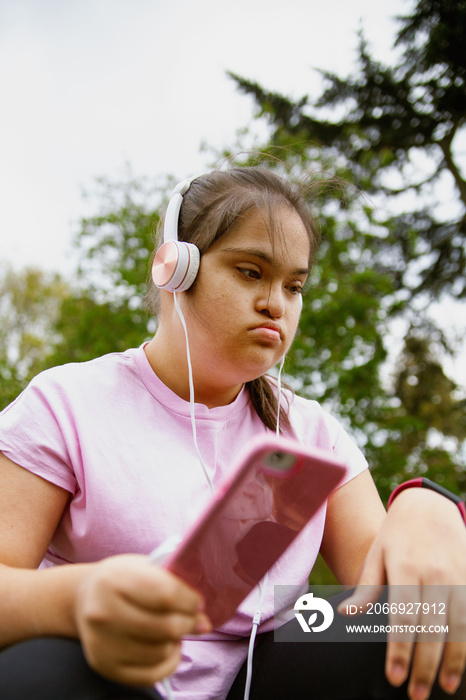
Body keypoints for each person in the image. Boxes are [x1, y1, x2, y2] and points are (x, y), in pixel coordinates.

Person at [0, 167, 465, 700]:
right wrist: (72, 601)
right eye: (250, 272)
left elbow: (382, 599)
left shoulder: (312, 433)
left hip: (266, 684)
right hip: (107, 677)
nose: (276, 304)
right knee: (39, 669)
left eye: (294, 286)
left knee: (433, 622)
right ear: (175, 269)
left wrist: (429, 508)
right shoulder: (66, 403)